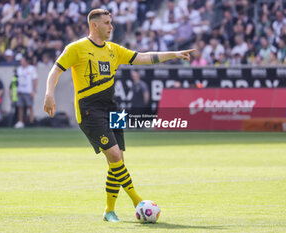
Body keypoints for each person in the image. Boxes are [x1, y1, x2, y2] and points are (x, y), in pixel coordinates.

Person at [43, 9, 194, 222]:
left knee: (118, 160)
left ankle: (109, 211)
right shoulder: (76, 48)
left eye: (111, 22)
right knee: (114, 156)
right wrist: (49, 93)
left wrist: (173, 55)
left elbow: (142, 57)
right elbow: (55, 70)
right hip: (89, 110)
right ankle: (138, 201)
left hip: (113, 108)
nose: (111, 26)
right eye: (106, 23)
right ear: (94, 25)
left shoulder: (114, 49)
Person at [14, 55, 38, 128]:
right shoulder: (19, 69)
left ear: (26, 61)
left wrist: (33, 91)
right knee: (20, 107)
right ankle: (20, 122)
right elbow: (17, 80)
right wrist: (17, 90)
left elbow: (35, 80)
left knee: (30, 106)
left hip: (28, 91)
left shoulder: (31, 69)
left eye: (22, 60)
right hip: (21, 91)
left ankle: (31, 122)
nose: (21, 62)